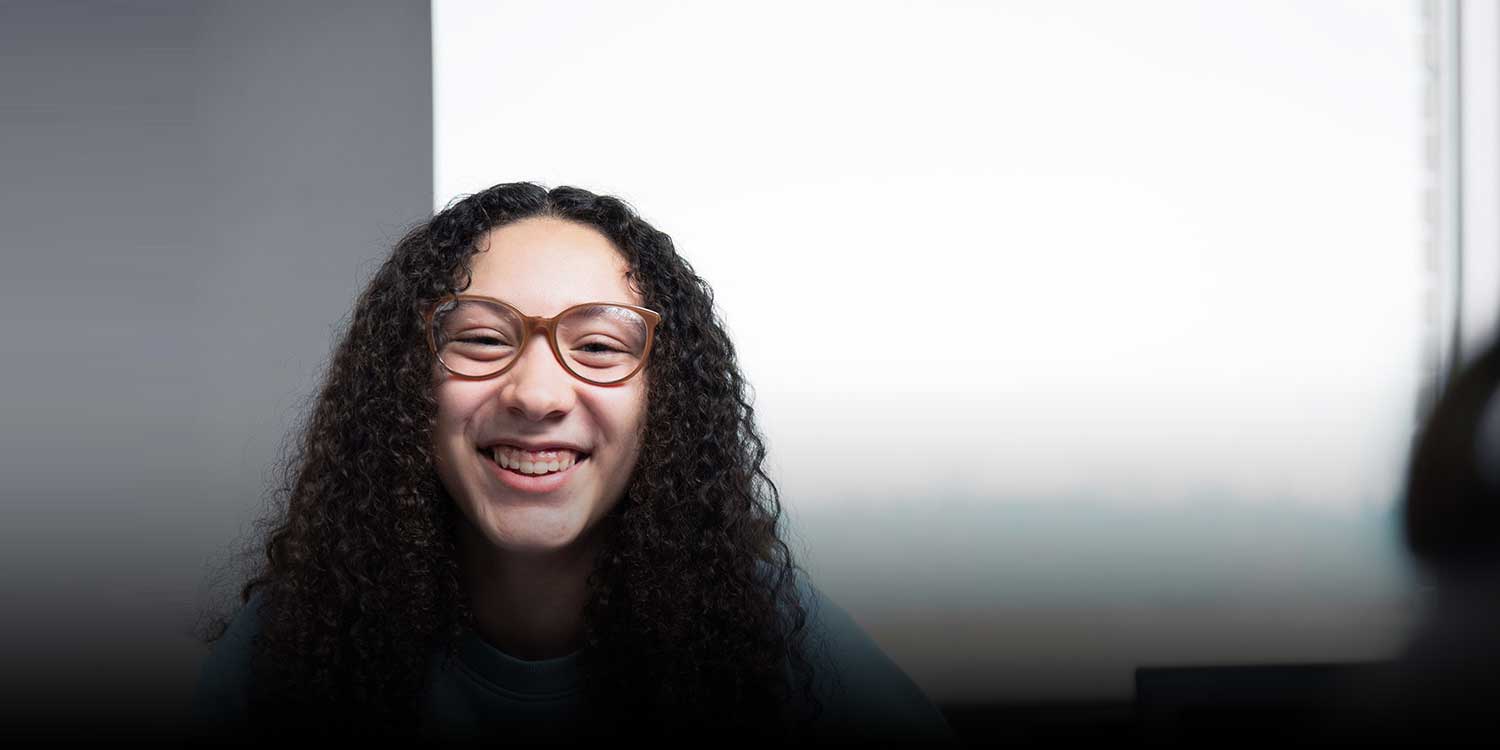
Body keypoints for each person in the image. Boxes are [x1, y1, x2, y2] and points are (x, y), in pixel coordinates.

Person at [191, 182, 956, 743]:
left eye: (597, 346)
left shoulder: (767, 638)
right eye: (483, 339)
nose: (537, 394)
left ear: (667, 404)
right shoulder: (294, 647)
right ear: (405, 385)